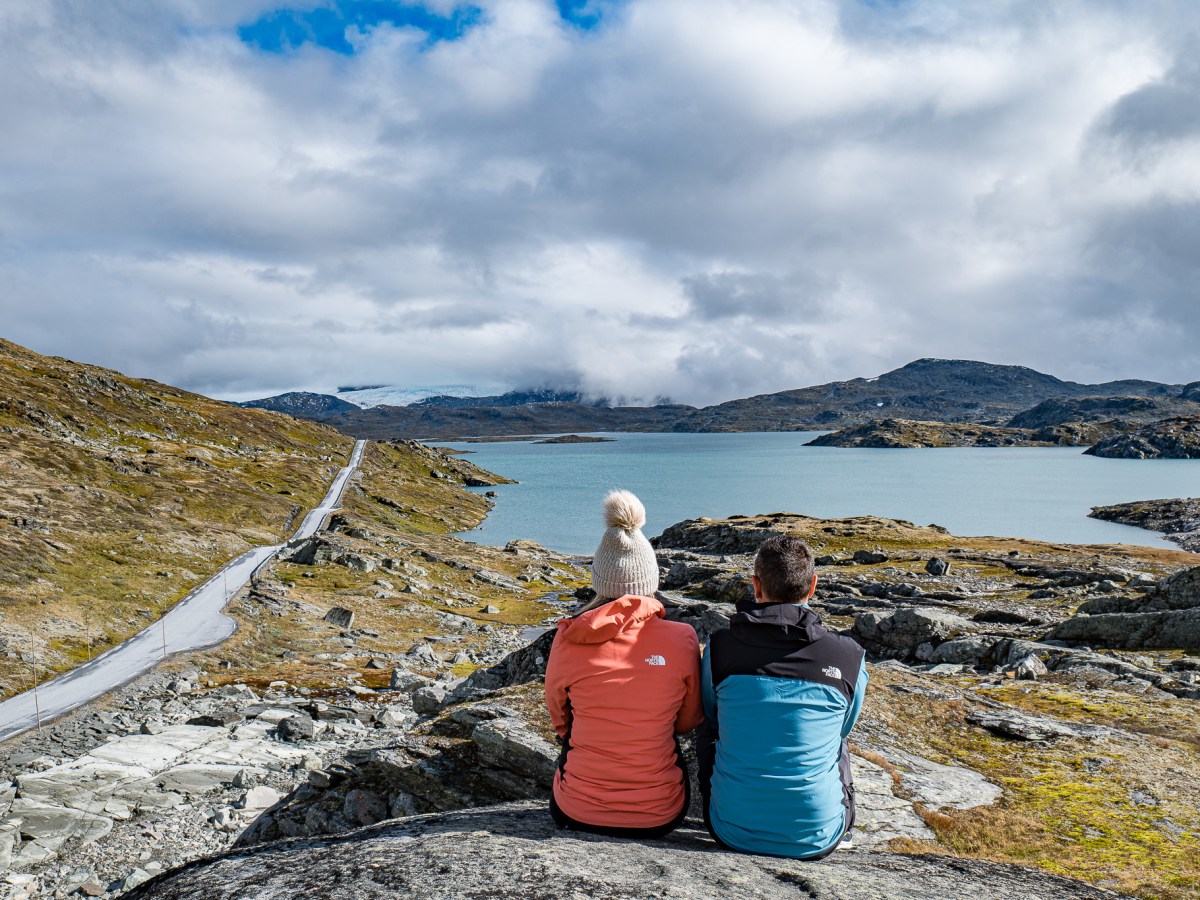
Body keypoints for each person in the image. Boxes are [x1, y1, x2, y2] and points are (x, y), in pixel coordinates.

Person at [544, 489, 703, 837]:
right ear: (651, 581)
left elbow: (561, 721)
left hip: (577, 810)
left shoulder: (568, 638)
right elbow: (688, 719)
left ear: (599, 581)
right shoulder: (683, 638)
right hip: (660, 814)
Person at [699, 534, 868, 859]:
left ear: (756, 586)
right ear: (813, 585)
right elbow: (845, 727)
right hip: (819, 835)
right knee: (836, 740)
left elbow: (709, 710)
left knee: (710, 726)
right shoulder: (849, 657)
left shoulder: (720, 648)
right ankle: (841, 829)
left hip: (730, 829)